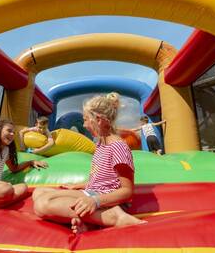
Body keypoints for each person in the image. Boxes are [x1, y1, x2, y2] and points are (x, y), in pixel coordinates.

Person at [32, 93, 145, 234]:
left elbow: (127, 192)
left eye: (86, 120)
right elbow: (104, 179)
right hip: (93, 193)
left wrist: (95, 201)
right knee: (38, 192)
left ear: (98, 120)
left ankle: (114, 217)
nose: (84, 125)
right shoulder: (101, 143)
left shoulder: (118, 147)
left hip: (105, 200)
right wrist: (78, 186)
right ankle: (90, 222)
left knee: (41, 205)